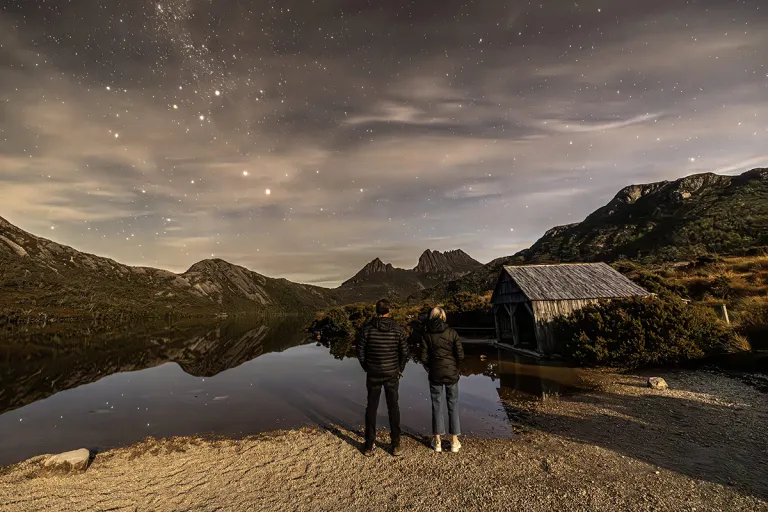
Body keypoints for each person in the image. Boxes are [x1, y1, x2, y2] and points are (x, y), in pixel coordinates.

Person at [357, 298, 409, 457]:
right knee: (393, 407)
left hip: (373, 374)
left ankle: (369, 445)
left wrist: (368, 367)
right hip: (392, 374)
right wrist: (399, 368)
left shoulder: (367, 329)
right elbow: (405, 352)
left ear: (376, 311)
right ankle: (395, 444)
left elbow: (360, 351)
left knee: (371, 408)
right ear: (389, 311)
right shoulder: (397, 329)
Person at [420, 307, 464, 453]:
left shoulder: (426, 335)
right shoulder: (452, 333)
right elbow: (460, 355)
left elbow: (423, 357)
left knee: (436, 405)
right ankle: (454, 441)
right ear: (444, 317)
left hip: (435, 375)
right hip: (452, 374)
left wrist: (431, 368)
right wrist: (455, 368)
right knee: (453, 404)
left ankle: (437, 441)